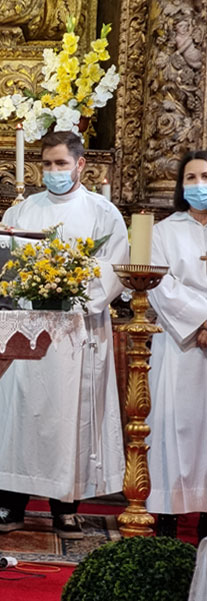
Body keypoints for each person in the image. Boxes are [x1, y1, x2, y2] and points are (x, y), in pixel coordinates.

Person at [0, 130, 129, 539]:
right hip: (26, 330)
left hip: (76, 330)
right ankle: (9, 504)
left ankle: (66, 506)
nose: (53, 172)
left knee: (69, 418)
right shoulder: (21, 212)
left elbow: (113, 267)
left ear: (80, 165)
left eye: (61, 164)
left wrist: (68, 287)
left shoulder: (103, 213)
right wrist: (28, 288)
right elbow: (1, 265)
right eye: (46, 164)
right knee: (20, 414)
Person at [146, 150, 207, 541]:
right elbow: (158, 286)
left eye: (205, 176)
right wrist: (201, 322)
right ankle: (167, 515)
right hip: (181, 343)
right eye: (191, 178)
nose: (199, 185)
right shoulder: (164, 232)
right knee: (174, 426)